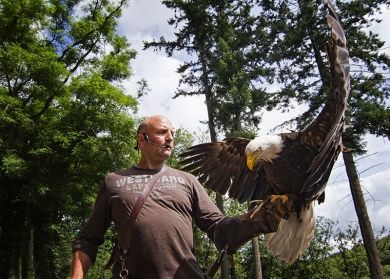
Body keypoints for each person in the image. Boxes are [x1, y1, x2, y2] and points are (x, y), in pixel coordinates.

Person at [70, 115, 291, 279]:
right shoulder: (114, 181)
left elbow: (219, 229)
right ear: (142, 139)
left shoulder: (187, 180)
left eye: (172, 135)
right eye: (162, 132)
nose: (170, 138)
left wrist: (259, 218)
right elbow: (88, 240)